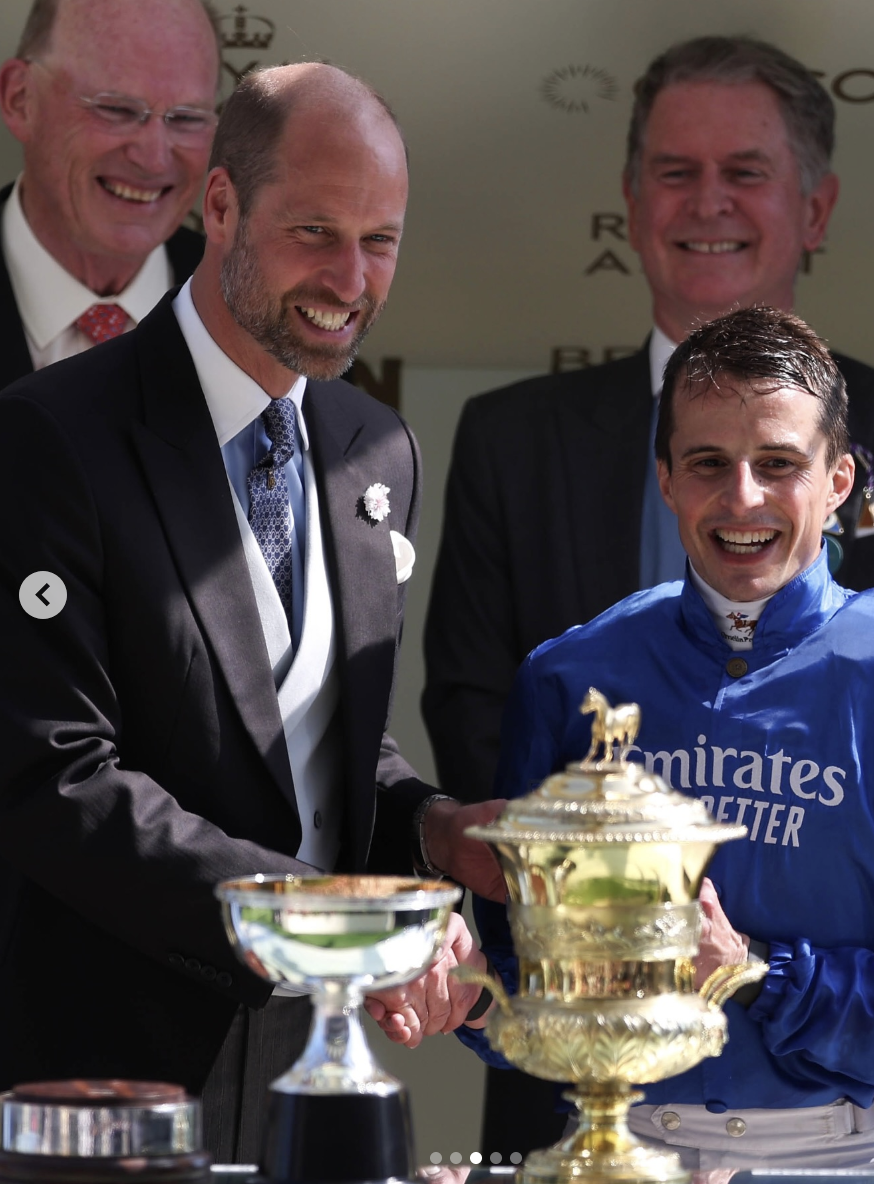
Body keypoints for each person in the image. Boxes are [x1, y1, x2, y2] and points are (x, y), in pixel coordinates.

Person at [423, 42, 874, 1148]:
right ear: (663, 474)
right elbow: (492, 807)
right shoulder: (567, 661)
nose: (741, 496)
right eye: (676, 171)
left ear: (840, 480)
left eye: (744, 171)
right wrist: (477, 985)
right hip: (596, 1125)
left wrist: (752, 968)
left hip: (858, 1134)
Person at [0, 63, 500, 1164]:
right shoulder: (54, 436)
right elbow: (52, 778)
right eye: (315, 231)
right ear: (220, 205)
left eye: (379, 241)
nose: (349, 278)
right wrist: (330, 925)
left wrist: (435, 831)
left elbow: (319, 750)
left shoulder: (378, 448)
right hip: (107, 1083)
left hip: (310, 1082)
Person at [0, 0, 219, 385]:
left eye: (186, 118)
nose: (153, 160)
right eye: (116, 109)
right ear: (20, 99)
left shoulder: (252, 304)